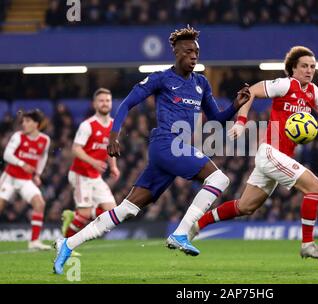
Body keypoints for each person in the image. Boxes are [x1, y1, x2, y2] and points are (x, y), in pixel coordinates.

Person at [53, 25, 250, 274]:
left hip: (175, 151)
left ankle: (68, 244)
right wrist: (114, 135)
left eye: (197, 53)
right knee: (219, 178)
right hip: (166, 144)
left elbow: (217, 119)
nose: (194, 57)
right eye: (189, 52)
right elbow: (127, 104)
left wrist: (234, 105)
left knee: (127, 209)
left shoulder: (202, 83)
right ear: (177, 53)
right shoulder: (161, 78)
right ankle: (181, 233)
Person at [190, 46, 318, 259]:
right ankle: (308, 244)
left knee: (245, 207)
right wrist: (241, 122)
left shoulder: (313, 91)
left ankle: (197, 224)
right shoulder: (285, 84)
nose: (309, 70)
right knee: (315, 186)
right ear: (293, 69)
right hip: (270, 152)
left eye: (312, 66)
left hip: (279, 157)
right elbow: (251, 92)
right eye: (304, 66)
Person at [61, 88, 120, 242]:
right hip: (80, 173)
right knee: (85, 214)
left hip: (94, 175)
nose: (105, 103)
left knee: (112, 212)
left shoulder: (114, 125)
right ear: (95, 104)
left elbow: (111, 148)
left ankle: (75, 216)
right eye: (101, 100)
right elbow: (75, 148)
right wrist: (94, 161)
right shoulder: (87, 125)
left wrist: (113, 166)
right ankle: (65, 244)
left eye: (107, 100)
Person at [0, 109, 51, 250]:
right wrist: (22, 164)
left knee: (39, 203)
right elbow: (7, 155)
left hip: (25, 180)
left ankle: (34, 241)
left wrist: (37, 175)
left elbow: (42, 158)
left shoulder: (44, 140)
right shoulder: (18, 136)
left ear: (36, 124)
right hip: (9, 178)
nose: (24, 124)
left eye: (28, 121)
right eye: (23, 121)